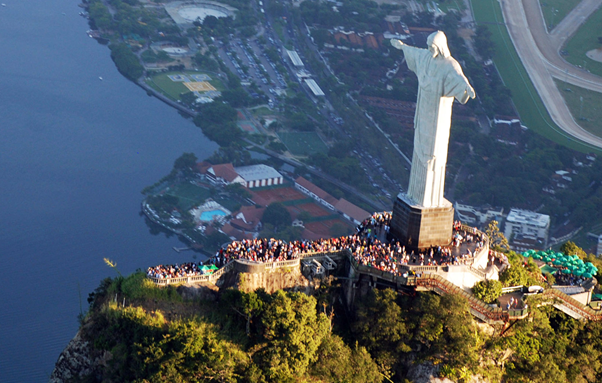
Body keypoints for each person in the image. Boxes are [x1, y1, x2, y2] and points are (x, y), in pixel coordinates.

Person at [391, 32, 475, 207]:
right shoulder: (426, 57)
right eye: (429, 47)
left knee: (433, 153)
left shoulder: (450, 65)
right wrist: (402, 46)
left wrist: (466, 87)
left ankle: (430, 198)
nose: (430, 50)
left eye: (433, 47)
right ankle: (415, 193)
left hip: (437, 117)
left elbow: (459, 78)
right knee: (419, 151)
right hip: (423, 111)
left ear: (441, 47)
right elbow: (415, 52)